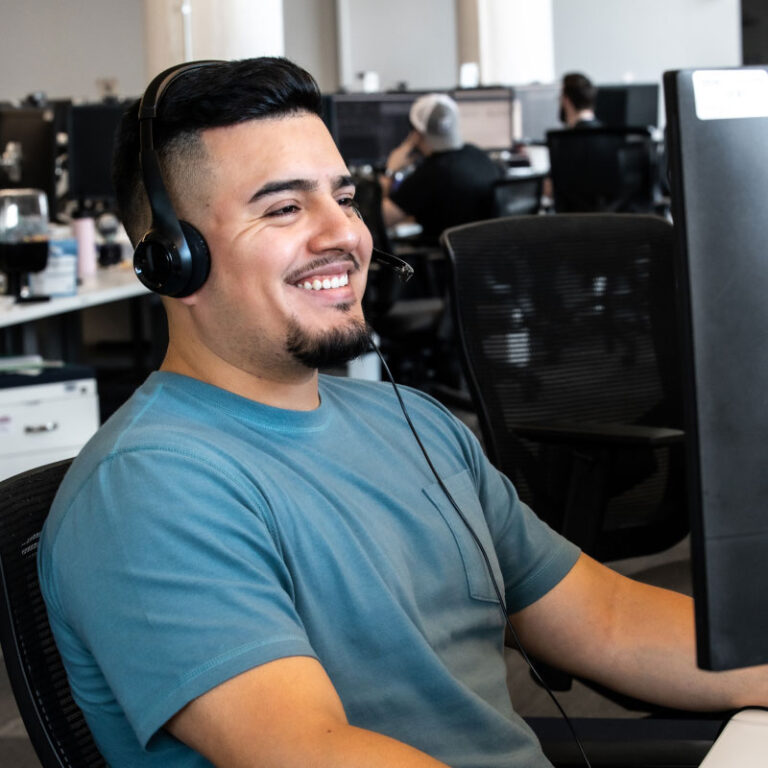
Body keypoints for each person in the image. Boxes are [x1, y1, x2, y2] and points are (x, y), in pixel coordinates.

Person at [38, 57, 768, 768]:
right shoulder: (153, 489)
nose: (348, 235)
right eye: (285, 207)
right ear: (173, 259)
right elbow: (311, 753)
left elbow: (605, 620)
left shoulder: (412, 422)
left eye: (345, 197)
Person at [380, 92, 502, 243]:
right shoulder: (478, 155)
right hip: (480, 255)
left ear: (416, 134)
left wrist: (390, 171)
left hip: (443, 260)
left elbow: (383, 218)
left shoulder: (430, 173)